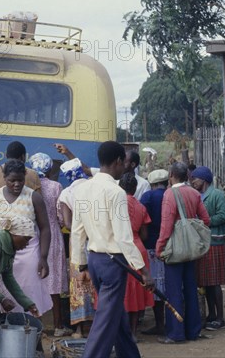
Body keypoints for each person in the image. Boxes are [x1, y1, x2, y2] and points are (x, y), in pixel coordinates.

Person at [70, 141, 154, 358]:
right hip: (113, 263)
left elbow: (77, 232)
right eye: (124, 163)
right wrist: (143, 270)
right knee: (106, 320)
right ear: (118, 162)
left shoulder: (83, 188)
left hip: (95, 261)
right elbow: (124, 238)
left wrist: (80, 264)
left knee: (115, 314)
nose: (125, 167)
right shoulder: (115, 192)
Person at [156, 162, 210, 344]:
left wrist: (160, 247)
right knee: (190, 289)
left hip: (174, 249)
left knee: (173, 292)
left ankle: (175, 333)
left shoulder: (169, 194)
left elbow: (166, 225)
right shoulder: (194, 193)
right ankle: (193, 331)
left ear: (171, 175)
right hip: (191, 249)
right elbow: (206, 219)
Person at [0, 159, 52, 317]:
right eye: (12, 181)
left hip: (28, 251)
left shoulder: (34, 197)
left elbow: (45, 228)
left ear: (25, 178)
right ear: (4, 178)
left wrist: (43, 257)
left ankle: (30, 320)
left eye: (20, 180)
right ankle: (6, 325)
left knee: (28, 289)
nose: (16, 184)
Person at [29, 152, 69, 336]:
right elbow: (61, 216)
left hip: (34, 235)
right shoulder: (56, 186)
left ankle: (38, 326)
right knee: (54, 282)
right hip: (53, 235)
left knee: (36, 280)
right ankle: (59, 325)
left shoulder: (29, 186)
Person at [58, 158, 95, 339]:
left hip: (78, 243)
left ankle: (79, 329)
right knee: (96, 283)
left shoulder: (67, 193)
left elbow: (67, 223)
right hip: (97, 240)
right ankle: (96, 326)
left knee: (79, 284)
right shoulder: (94, 186)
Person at [190, 166, 225, 330]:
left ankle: (220, 317)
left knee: (215, 283)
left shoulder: (217, 195)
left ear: (203, 180)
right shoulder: (198, 196)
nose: (193, 182)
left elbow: (223, 216)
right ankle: (211, 314)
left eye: (195, 179)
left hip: (214, 242)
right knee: (205, 282)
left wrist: (204, 221)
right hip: (203, 243)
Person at [119, 172, 154, 341]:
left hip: (120, 248)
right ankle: (133, 332)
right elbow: (145, 235)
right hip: (138, 248)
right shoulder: (141, 206)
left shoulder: (116, 204)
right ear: (134, 188)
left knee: (122, 290)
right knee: (137, 291)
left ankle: (122, 332)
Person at [139, 169, 169, 336]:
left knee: (156, 285)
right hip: (171, 246)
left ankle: (159, 324)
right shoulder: (172, 194)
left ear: (152, 183)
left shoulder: (148, 197)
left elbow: (142, 219)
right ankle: (172, 321)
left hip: (151, 245)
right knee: (170, 284)